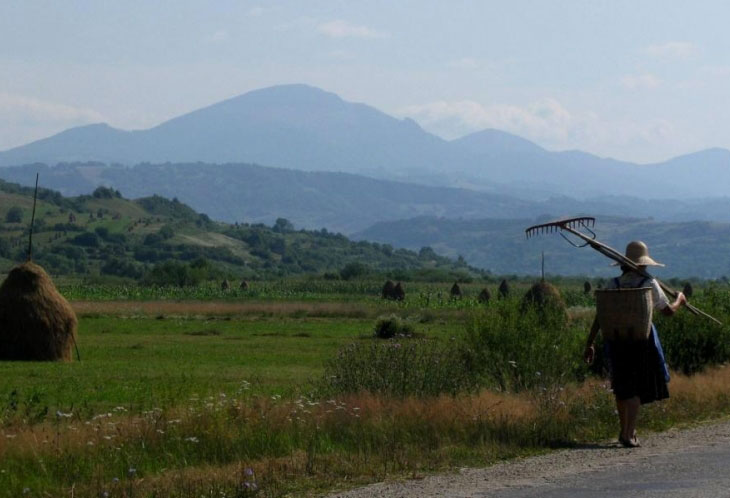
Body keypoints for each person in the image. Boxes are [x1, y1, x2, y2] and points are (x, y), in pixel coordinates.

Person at [583, 241, 687, 448]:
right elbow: (667, 311)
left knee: (622, 387)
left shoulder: (614, 284)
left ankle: (625, 430)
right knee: (635, 388)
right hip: (641, 340)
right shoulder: (649, 284)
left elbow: (602, 315)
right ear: (643, 264)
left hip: (616, 340)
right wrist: (680, 301)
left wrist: (590, 342)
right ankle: (628, 434)